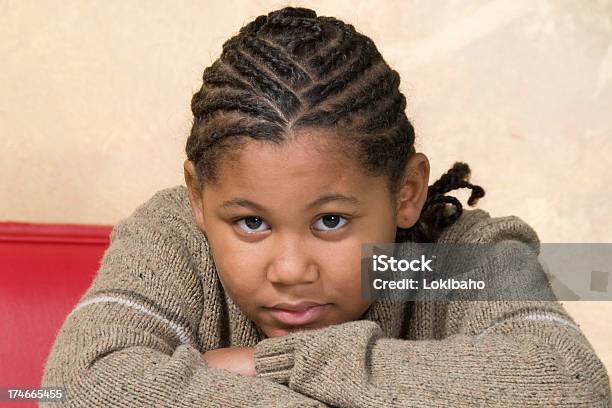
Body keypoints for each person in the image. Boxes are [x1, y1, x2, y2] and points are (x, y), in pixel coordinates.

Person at [42, 6, 611, 407]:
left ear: (406, 193)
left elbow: (570, 387)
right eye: (251, 223)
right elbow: (71, 390)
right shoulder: (173, 237)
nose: (291, 271)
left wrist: (272, 366)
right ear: (198, 196)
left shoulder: (455, 259)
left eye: (331, 221)